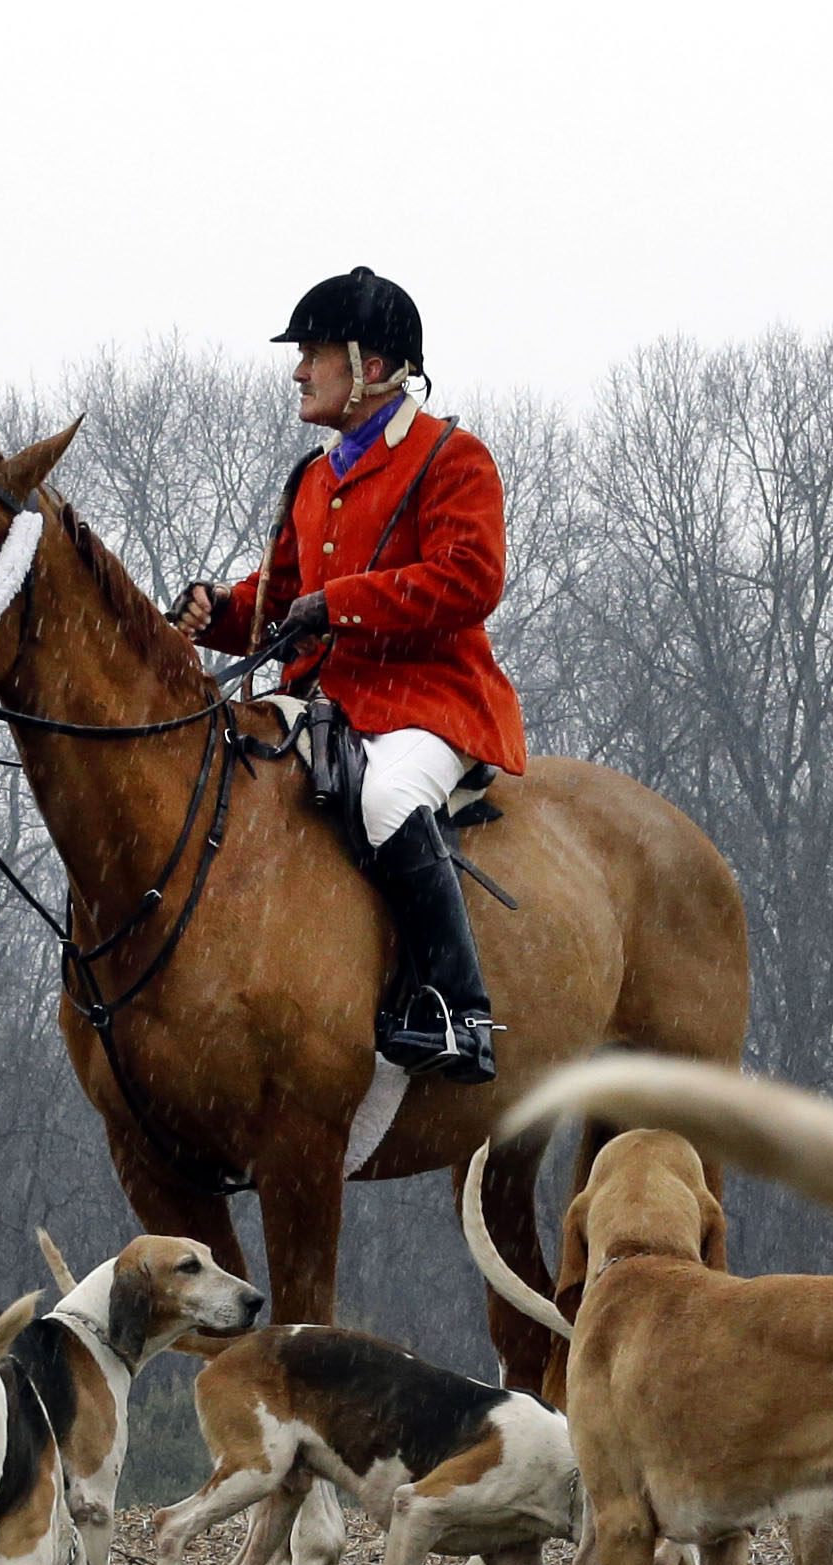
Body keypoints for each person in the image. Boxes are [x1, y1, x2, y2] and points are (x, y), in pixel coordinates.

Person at [175, 269, 524, 1086]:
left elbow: (472, 580)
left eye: (314, 353)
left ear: (370, 366)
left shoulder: (451, 457)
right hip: (326, 706)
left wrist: (342, 603)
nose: (299, 371)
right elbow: (282, 601)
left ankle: (458, 1011)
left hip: (430, 703)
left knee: (388, 798)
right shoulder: (316, 475)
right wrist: (213, 608)